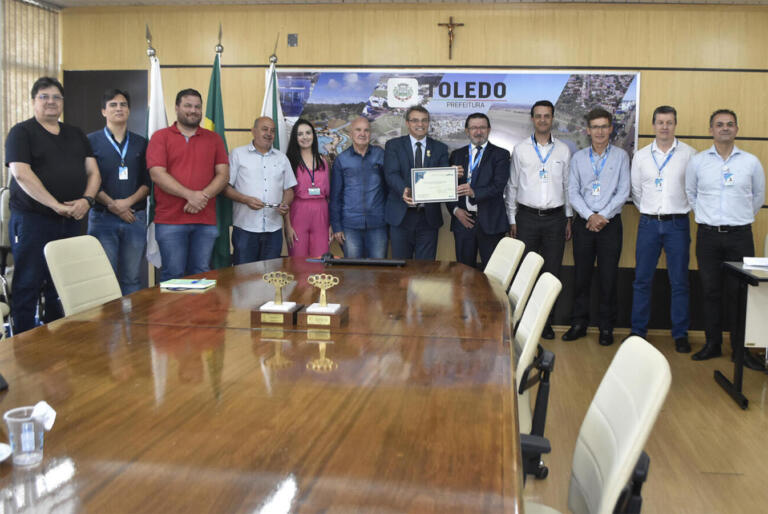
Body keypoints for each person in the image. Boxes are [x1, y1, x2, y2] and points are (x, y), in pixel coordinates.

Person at [4, 76, 101, 333]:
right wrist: (55, 204)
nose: (50, 102)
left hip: (71, 220)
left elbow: (93, 173)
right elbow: (21, 173)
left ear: (62, 103)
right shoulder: (21, 132)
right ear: (33, 101)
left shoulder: (76, 133)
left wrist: (87, 200)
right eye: (44, 97)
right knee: (28, 282)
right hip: (33, 220)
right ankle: (23, 346)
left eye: (56, 97)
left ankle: (59, 340)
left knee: (63, 283)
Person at [685, 109, 766, 370]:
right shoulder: (698, 162)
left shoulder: (751, 162)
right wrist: (707, 217)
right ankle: (712, 344)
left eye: (730, 124)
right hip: (708, 236)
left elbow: (757, 197)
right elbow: (691, 193)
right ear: (711, 130)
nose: (725, 128)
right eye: (719, 125)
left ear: (737, 130)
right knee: (710, 291)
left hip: (740, 236)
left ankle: (740, 349)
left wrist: (738, 218)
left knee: (739, 293)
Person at [629, 105, 695, 352]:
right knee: (641, 280)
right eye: (660, 122)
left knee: (679, 282)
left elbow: (694, 189)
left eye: (669, 122)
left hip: (677, 224)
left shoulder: (689, 154)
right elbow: (636, 191)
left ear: (675, 125)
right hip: (648, 223)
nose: (665, 127)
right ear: (653, 125)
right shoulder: (642, 156)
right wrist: (649, 209)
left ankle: (680, 334)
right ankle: (638, 332)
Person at [563, 108, 630, 346]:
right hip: (584, 224)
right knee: (581, 277)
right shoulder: (579, 158)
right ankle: (579, 323)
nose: (600, 131)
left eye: (604, 126)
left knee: (608, 277)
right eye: (596, 127)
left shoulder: (621, 156)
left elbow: (623, 192)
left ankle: (606, 326)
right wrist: (590, 215)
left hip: (610, 225)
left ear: (611, 129)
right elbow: (572, 191)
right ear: (588, 130)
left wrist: (603, 216)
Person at [146, 88, 229, 281]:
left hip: (205, 221)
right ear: (176, 108)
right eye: (188, 106)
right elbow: (157, 174)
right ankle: (172, 313)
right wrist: (190, 195)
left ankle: (197, 313)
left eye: (197, 107)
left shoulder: (214, 139)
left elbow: (223, 175)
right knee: (173, 275)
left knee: (201, 274)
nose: (193, 110)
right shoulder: (161, 137)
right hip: (170, 221)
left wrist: (202, 196)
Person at [506, 100, 572, 339]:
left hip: (555, 219)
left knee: (552, 273)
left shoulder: (563, 150)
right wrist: (512, 218)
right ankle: (523, 321)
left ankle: (546, 322)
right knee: (526, 271)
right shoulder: (521, 149)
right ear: (532, 119)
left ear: (552, 118)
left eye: (547, 116)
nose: (543, 120)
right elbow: (512, 186)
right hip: (526, 218)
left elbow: (567, 187)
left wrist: (568, 219)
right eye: (538, 116)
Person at [87, 88, 150, 295]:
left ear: (129, 110)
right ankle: (107, 328)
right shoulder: (90, 142)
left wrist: (126, 204)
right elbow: (88, 180)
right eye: (113, 105)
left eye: (123, 104)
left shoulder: (141, 142)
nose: (119, 108)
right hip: (103, 218)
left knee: (132, 278)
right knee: (105, 278)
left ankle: (130, 326)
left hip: (134, 217)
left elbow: (147, 183)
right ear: (103, 111)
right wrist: (114, 206)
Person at [224, 117, 295, 264]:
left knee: (271, 279)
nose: (269, 133)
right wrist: (245, 199)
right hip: (245, 229)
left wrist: (285, 203)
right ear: (253, 131)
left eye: (272, 130)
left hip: (273, 229)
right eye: (264, 129)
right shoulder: (237, 154)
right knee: (243, 278)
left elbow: (289, 190)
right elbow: (225, 188)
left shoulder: (282, 158)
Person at [383, 106, 449, 260]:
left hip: (428, 218)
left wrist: (450, 174)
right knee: (400, 268)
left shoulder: (440, 148)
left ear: (428, 123)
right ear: (407, 123)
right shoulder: (393, 145)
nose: (420, 124)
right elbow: (391, 173)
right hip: (401, 216)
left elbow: (443, 179)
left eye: (424, 120)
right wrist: (404, 190)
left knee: (425, 272)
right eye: (415, 120)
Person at [448, 112, 509, 269]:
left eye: (482, 127)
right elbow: (446, 189)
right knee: (463, 273)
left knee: (493, 274)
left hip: (491, 223)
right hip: (463, 222)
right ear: (467, 131)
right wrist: (455, 211)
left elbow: (498, 186)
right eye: (474, 128)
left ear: (488, 130)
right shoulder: (456, 155)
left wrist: (474, 192)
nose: (478, 131)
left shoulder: (501, 154)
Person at [330, 116, 388, 258]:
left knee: (378, 272)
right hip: (350, 226)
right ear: (350, 134)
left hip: (378, 225)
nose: (362, 134)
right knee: (354, 273)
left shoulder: (381, 155)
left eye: (366, 130)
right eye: (358, 130)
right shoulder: (341, 160)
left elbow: (389, 189)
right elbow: (335, 196)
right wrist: (337, 227)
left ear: (370, 133)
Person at [284, 119, 331, 258]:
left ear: (313, 136)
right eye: (300, 134)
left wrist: (331, 224)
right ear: (295, 138)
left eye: (308, 133)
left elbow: (330, 196)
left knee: (320, 259)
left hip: (321, 213)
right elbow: (286, 195)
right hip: (298, 212)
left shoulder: (324, 161)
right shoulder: (290, 161)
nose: (305, 137)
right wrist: (287, 226)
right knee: (298, 259)